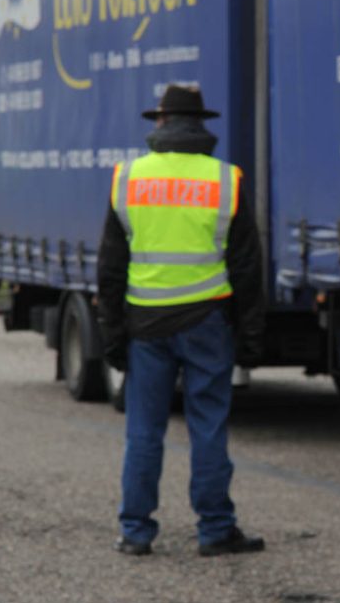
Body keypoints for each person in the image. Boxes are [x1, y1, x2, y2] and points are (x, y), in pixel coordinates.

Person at [97, 83, 266, 558]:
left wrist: (111, 332)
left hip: (145, 325)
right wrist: (251, 334)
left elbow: (110, 268)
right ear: (201, 125)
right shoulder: (225, 180)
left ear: (161, 123)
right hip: (207, 321)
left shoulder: (127, 178)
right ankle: (214, 530)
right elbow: (248, 267)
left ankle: (135, 531)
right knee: (208, 427)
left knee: (143, 432)